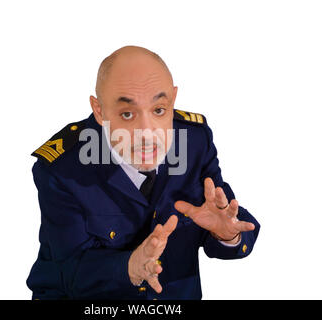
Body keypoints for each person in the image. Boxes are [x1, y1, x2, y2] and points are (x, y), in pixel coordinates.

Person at [26, 45, 260, 300]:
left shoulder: (194, 142)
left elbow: (224, 216)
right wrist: (129, 268)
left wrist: (228, 234)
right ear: (100, 110)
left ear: (172, 99)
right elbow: (69, 273)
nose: (147, 132)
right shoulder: (63, 168)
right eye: (127, 114)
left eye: (159, 110)